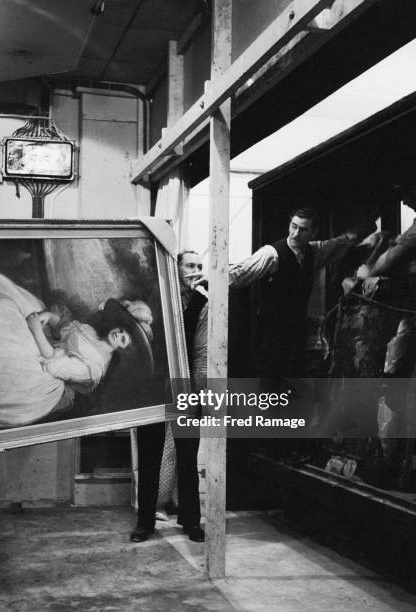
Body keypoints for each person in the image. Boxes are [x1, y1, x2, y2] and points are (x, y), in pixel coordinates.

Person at [0, 264, 154, 428]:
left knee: (12, 351)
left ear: (124, 348)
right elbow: (66, 329)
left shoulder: (94, 368)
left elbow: (53, 364)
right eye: (122, 328)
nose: (119, 333)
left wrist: (36, 330)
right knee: (19, 304)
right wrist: (49, 317)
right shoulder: (93, 332)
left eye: (124, 338)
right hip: (50, 347)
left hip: (48, 373)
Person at [229, 208, 374, 377]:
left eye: (303, 229)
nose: (296, 233)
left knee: (293, 384)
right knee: (271, 385)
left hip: (296, 333)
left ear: (313, 232)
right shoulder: (271, 254)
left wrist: (364, 230)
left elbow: (340, 243)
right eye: (293, 226)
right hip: (270, 336)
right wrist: (212, 278)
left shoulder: (314, 251)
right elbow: (241, 273)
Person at [130, 250, 206, 544]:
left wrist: (200, 393)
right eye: (190, 265)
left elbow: (201, 351)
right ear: (175, 268)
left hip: (186, 389)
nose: (195, 270)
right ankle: (145, 522)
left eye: (199, 266)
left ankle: (191, 521)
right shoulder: (155, 298)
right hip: (152, 388)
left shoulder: (203, 302)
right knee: (149, 456)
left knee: (188, 458)